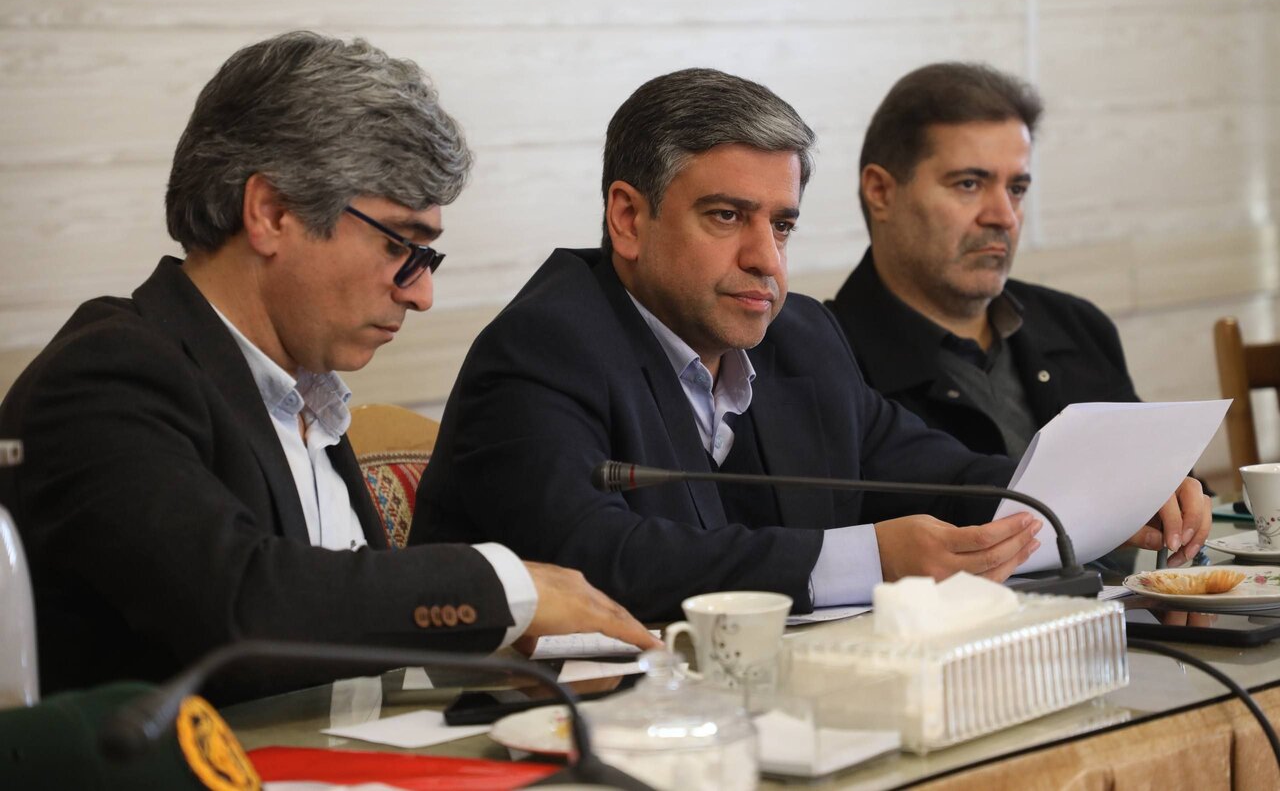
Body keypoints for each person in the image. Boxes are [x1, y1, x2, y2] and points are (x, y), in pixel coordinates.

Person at [413, 67, 1204, 623]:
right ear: (629, 218)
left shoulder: (801, 338)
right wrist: (870, 558)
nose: (766, 259)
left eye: (782, 224)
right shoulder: (544, 347)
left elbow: (940, 473)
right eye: (728, 216)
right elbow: (599, 558)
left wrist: (1107, 494)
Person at [0, 31, 655, 701]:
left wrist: (490, 652)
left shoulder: (305, 392)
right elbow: (241, 609)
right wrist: (506, 586)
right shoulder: (105, 377)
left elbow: (335, 640)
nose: (422, 294)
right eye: (401, 246)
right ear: (272, 213)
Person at [825, 61, 1208, 567]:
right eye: (969, 184)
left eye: (1017, 189)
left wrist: (1175, 495)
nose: (1003, 216)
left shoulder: (1077, 325)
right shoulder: (823, 363)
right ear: (881, 192)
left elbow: (1157, 491)